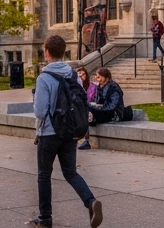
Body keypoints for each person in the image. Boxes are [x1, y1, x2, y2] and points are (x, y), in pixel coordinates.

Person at [31, 34, 104, 228]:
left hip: (49, 133)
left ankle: (45, 218)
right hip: (70, 131)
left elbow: (40, 111)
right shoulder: (73, 75)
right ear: (63, 52)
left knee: (44, 174)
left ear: (47, 52)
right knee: (70, 172)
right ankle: (90, 201)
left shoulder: (44, 77)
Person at [80, 68, 124, 151]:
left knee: (90, 113)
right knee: (87, 111)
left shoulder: (114, 88)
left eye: (99, 77)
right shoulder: (100, 86)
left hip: (114, 114)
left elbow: (112, 106)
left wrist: (95, 107)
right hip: (103, 111)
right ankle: (86, 139)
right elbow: (98, 101)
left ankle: (87, 140)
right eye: (96, 76)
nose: (97, 79)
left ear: (106, 78)